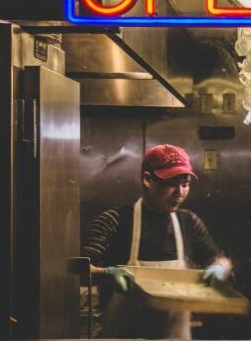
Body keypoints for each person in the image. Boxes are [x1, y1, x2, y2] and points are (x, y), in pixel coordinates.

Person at [82, 144, 233, 339]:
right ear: (147, 179)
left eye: (185, 184)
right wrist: (107, 273)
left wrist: (218, 269)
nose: (179, 192)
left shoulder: (188, 222)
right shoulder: (115, 220)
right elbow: (79, 268)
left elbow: (218, 258)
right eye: (171, 184)